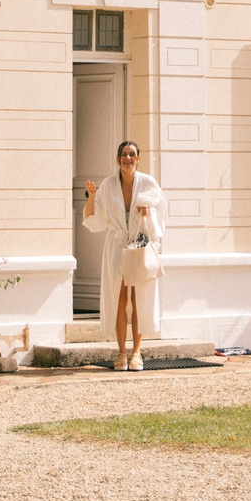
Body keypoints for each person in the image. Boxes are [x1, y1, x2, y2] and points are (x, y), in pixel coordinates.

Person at [80, 140, 164, 369]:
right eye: (124, 154)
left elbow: (159, 219)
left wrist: (148, 213)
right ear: (118, 159)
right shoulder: (108, 186)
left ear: (138, 158)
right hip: (116, 245)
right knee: (119, 298)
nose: (128, 158)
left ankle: (137, 353)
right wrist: (90, 196)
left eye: (132, 154)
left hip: (139, 245)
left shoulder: (148, 183)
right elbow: (93, 220)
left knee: (138, 298)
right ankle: (120, 353)